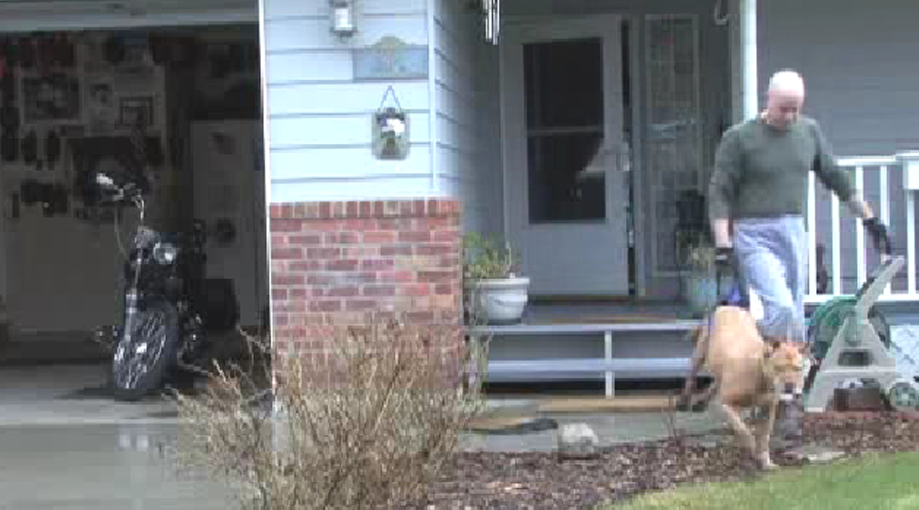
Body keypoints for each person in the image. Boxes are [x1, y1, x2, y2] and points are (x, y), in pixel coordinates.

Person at [707, 69, 891, 446]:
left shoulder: (808, 132)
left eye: (796, 109)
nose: (790, 116)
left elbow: (836, 177)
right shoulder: (740, 138)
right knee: (781, 307)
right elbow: (720, 191)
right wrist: (723, 244)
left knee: (793, 310)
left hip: (792, 230)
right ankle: (761, 359)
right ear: (768, 100)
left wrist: (870, 219)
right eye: (784, 108)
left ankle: (785, 399)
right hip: (752, 232)